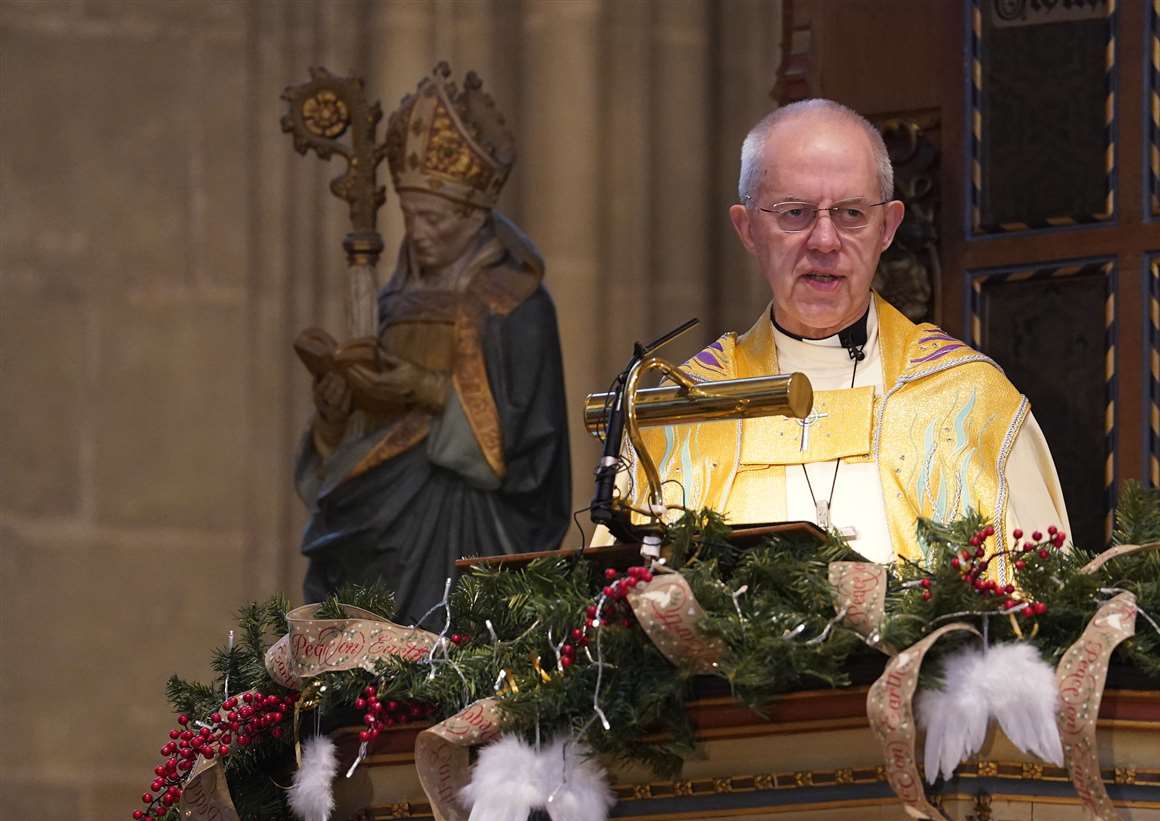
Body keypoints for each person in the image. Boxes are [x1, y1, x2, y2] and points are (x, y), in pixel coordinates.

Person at [612, 98, 1067, 574]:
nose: (825, 241)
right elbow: (612, 607)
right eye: (794, 213)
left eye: (851, 213)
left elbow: (1042, 612)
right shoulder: (686, 410)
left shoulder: (968, 402)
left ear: (888, 227)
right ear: (747, 229)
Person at [296, 63, 570, 622]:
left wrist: (425, 389)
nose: (418, 231)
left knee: (444, 648)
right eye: (411, 215)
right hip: (378, 523)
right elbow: (363, 434)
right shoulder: (393, 300)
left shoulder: (515, 305)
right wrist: (333, 418)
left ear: (474, 215)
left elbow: (528, 453)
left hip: (465, 524)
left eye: (434, 218)